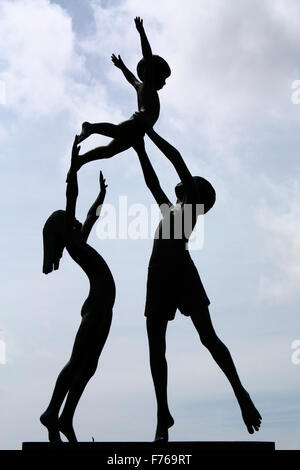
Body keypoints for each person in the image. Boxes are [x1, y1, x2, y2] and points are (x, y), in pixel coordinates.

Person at [133, 129, 262, 441]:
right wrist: (139, 147)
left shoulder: (189, 202)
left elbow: (176, 160)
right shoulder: (171, 208)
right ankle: (163, 415)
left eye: (191, 180)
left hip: (180, 269)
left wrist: (149, 132)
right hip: (159, 272)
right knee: (156, 347)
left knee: (209, 338)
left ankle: (240, 393)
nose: (184, 180)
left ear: (196, 192)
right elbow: (153, 183)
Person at [40, 136, 116, 443]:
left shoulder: (78, 238)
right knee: (77, 361)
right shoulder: (72, 242)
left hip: (104, 305)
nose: (70, 216)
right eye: (65, 217)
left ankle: (66, 418)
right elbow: (72, 193)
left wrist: (100, 197)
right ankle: (51, 413)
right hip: (96, 304)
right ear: (61, 229)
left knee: (90, 366)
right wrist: (73, 164)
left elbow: (88, 217)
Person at [74, 17, 171, 172]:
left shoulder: (140, 86)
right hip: (139, 123)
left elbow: (130, 77)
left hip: (139, 131)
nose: (164, 83)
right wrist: (141, 32)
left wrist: (121, 66)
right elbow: (147, 54)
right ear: (151, 71)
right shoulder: (148, 85)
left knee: (109, 151)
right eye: (163, 77)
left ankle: (81, 160)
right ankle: (90, 127)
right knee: (116, 132)